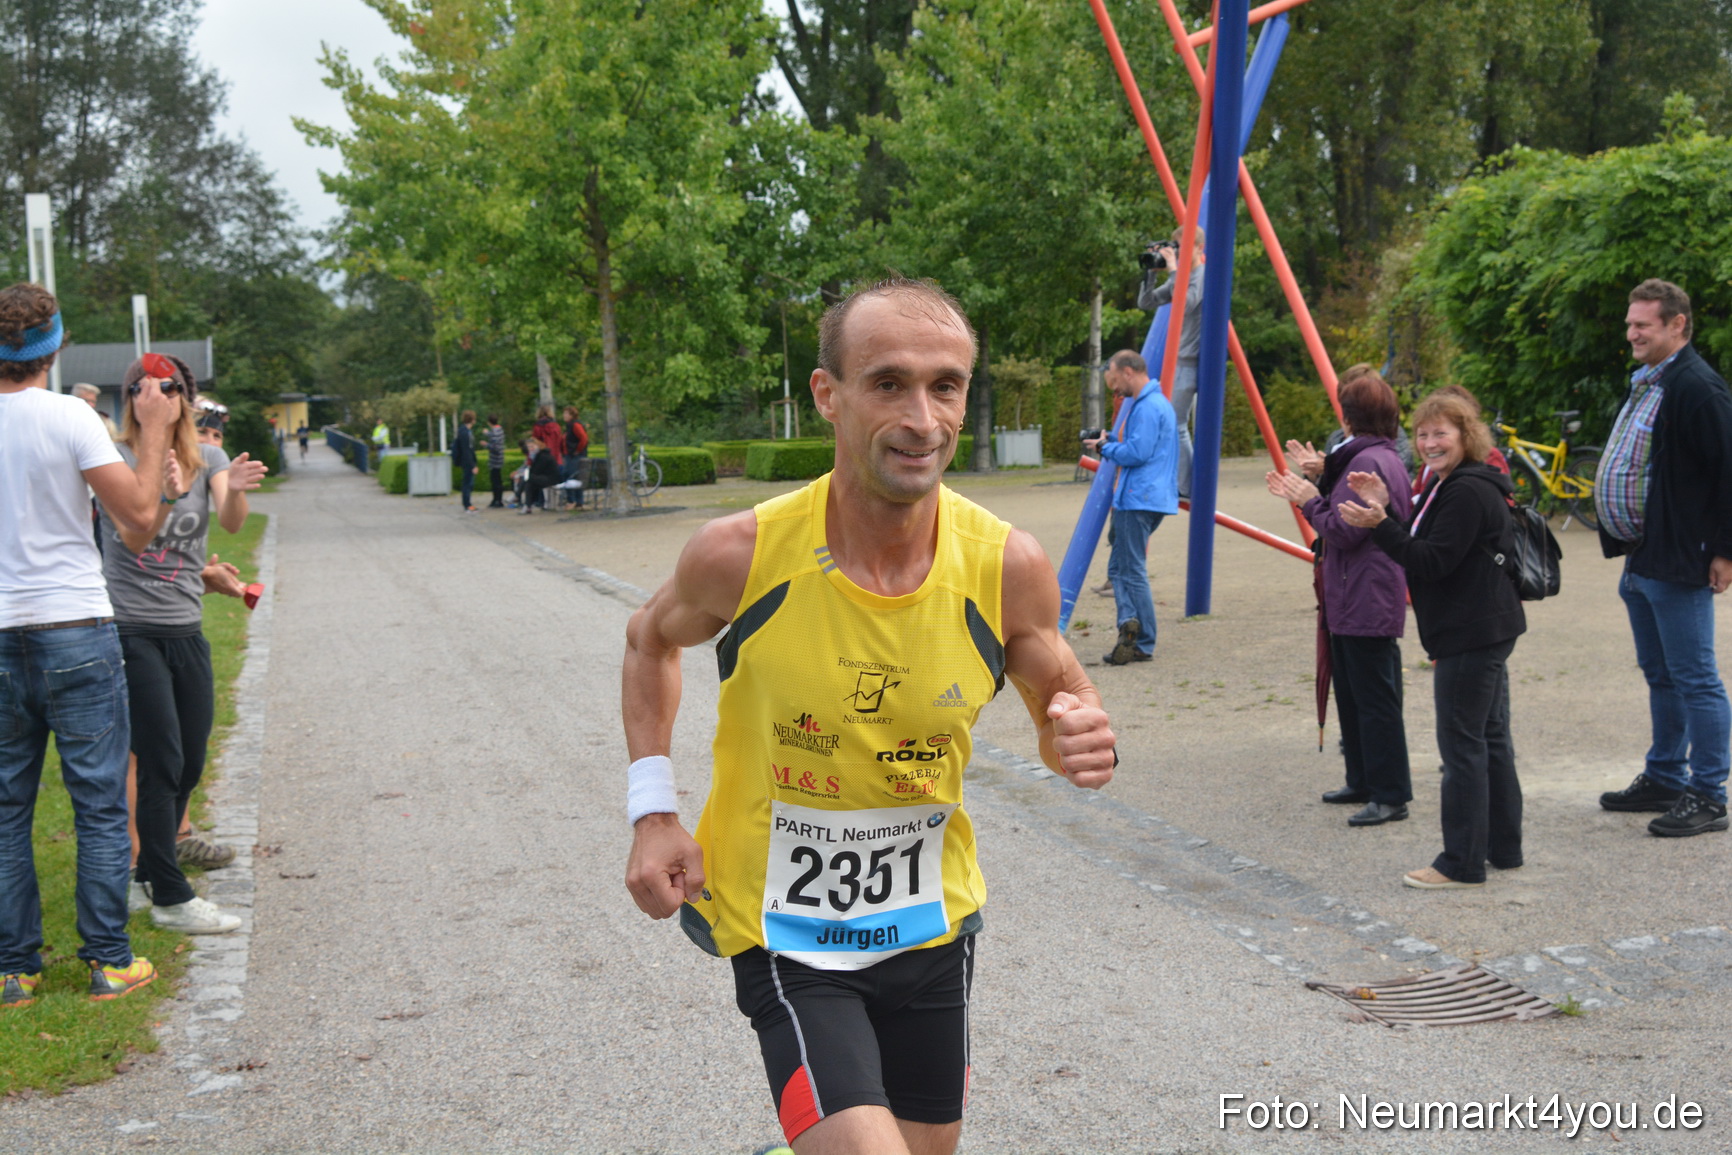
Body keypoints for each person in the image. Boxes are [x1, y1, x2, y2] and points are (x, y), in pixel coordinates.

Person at [622, 276, 1116, 1155]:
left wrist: (1076, 734)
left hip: (931, 919)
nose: (922, 417)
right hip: (785, 926)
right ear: (829, 395)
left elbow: (1060, 696)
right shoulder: (742, 554)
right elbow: (648, 642)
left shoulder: (1007, 566)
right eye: (888, 382)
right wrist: (653, 810)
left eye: (946, 385)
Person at [0, 282, 177, 1004]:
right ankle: (107, 958)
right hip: (75, 625)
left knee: (8, 807)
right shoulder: (72, 417)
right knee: (100, 802)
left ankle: (14, 968)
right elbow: (137, 517)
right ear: (56, 345)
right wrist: (155, 425)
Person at [97, 353, 266, 936]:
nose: (160, 396)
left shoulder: (208, 456)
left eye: (171, 388)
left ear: (185, 398)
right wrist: (164, 495)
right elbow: (134, 539)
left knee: (190, 759)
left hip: (185, 628)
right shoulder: (114, 459)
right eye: (148, 389)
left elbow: (233, 520)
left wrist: (237, 491)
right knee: (161, 759)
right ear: (134, 399)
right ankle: (168, 892)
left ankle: (149, 867)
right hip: (132, 628)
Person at [1339, 391, 1525, 889]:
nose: (1429, 443)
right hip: (1484, 624)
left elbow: (1429, 561)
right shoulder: (1451, 484)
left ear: (1467, 435)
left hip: (1471, 630)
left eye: (1441, 433)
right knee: (1489, 738)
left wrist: (1380, 525)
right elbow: (1427, 546)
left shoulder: (1465, 490)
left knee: (1463, 746)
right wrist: (1385, 512)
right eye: (1422, 434)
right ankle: (1503, 848)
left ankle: (1461, 862)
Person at [1595, 279, 1732, 838]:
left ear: (1677, 324)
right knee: (1662, 675)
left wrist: (1724, 549)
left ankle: (1709, 793)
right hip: (1643, 555)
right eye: (1630, 324)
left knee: (1695, 677)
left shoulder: (1698, 387)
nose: (1631, 334)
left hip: (1679, 558)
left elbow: (1728, 471)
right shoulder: (1651, 381)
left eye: (1642, 325)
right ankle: (1665, 776)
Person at [1266, 372, 1413, 826]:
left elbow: (1346, 531)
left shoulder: (1369, 460)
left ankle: (1389, 793)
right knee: (1352, 691)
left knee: (1373, 697)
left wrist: (1310, 500)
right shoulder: (1374, 455)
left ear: (1347, 416)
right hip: (1356, 593)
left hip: (1364, 593)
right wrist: (1323, 474)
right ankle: (1365, 780)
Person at [1083, 350, 1178, 666]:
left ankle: (1138, 635)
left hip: (1139, 497)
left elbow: (1138, 452)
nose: (1114, 388)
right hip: (1147, 497)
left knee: (1130, 569)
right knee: (1120, 568)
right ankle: (1131, 626)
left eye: (1113, 379)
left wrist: (1103, 447)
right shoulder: (1152, 403)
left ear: (1126, 371)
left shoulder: (1147, 406)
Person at [1137, 227, 1204, 497]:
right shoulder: (1183, 277)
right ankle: (1185, 483)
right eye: (1175, 248)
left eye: (1180, 248)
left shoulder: (1200, 276)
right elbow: (1146, 302)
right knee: (1176, 422)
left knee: (1176, 423)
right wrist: (1150, 274)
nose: (1175, 254)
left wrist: (1175, 270)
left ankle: (1186, 485)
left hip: (1193, 360)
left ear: (1198, 248)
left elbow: (1185, 304)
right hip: (1183, 359)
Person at [521, 435, 558, 514]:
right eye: (529, 447)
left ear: (538, 445)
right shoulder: (537, 455)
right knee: (528, 481)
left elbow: (537, 470)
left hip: (551, 478)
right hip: (544, 477)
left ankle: (526, 504)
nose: (530, 449)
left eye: (532, 446)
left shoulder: (543, 456)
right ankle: (527, 505)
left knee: (528, 480)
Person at [453, 410, 479, 513]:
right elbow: (467, 450)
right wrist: (473, 465)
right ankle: (467, 505)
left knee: (468, 483)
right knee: (468, 483)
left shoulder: (463, 431)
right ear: (472, 420)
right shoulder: (465, 432)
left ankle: (467, 504)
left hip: (466, 461)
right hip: (467, 462)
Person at [485, 414, 507, 508]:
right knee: (498, 480)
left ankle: (497, 500)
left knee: (495, 481)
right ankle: (498, 499)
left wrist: (486, 445)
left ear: (489, 422)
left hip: (495, 460)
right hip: (500, 458)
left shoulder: (494, 431)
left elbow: (495, 447)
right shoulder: (500, 430)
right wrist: (487, 434)